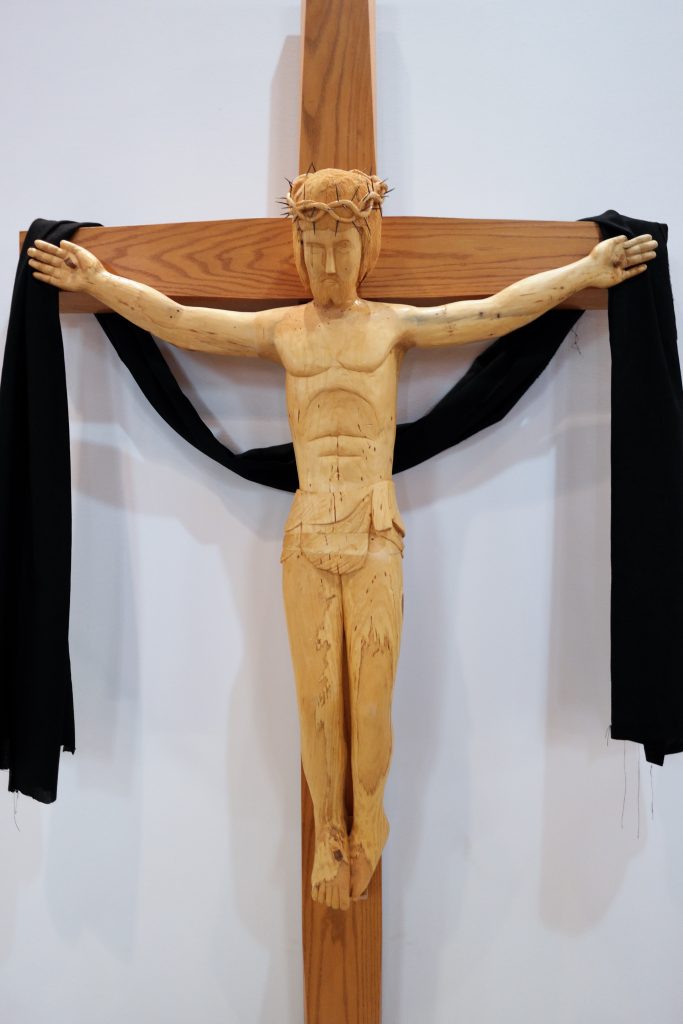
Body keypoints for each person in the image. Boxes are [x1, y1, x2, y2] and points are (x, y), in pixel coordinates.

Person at [27, 168, 657, 911]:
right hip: (306, 532)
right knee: (318, 699)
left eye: (341, 247)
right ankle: (330, 830)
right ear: (298, 249)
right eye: (313, 247)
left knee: (372, 700)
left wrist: (584, 273)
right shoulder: (282, 330)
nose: (327, 266)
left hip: (375, 530)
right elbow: (180, 320)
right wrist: (99, 282)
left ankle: (370, 816)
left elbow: (492, 312)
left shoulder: (392, 326)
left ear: (368, 245)